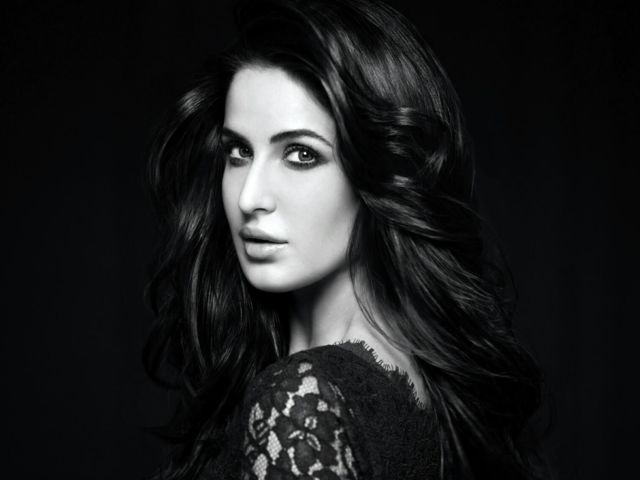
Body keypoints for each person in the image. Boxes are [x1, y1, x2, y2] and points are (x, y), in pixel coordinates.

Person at [143, 0, 545, 479]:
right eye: (239, 152)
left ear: (379, 175)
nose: (250, 197)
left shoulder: (300, 402)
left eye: (300, 154)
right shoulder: (415, 382)